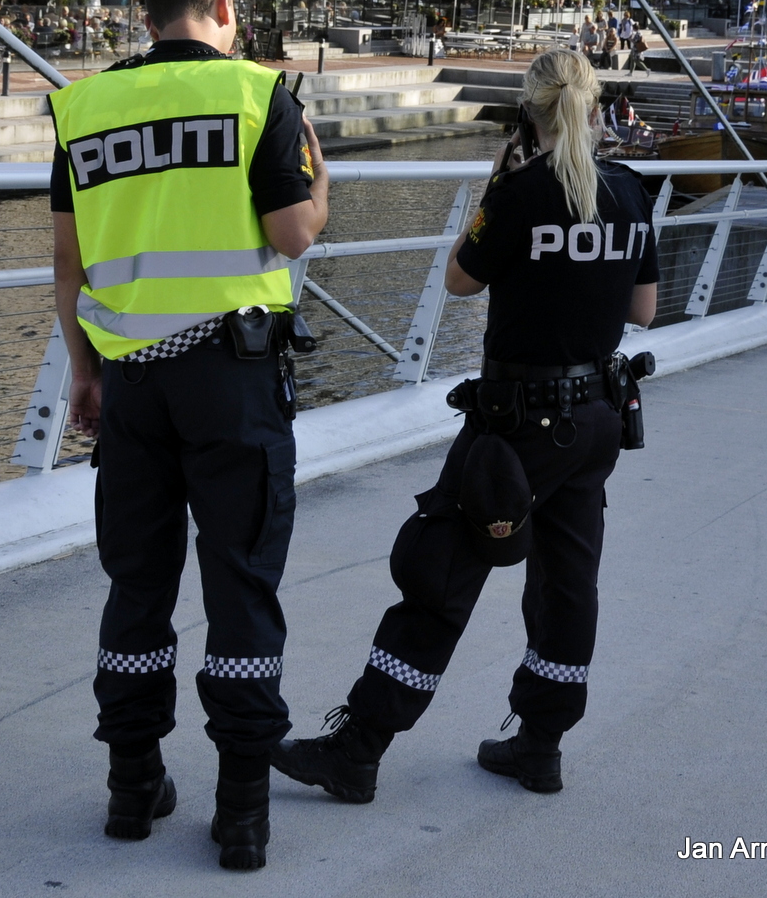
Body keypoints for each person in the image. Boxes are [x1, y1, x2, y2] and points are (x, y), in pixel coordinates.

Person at [271, 47, 657, 805]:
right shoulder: (631, 192)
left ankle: (361, 746)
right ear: (594, 107)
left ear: (529, 112)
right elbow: (641, 312)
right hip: (597, 421)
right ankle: (540, 745)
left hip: (516, 428)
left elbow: (458, 278)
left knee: (439, 571)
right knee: (568, 584)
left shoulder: (518, 193)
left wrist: (496, 194)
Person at [49, 0, 330, 872]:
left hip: (130, 381)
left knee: (139, 582)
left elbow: (69, 260)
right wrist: (319, 181)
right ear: (222, 8)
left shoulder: (85, 109)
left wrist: (84, 368)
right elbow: (292, 234)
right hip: (234, 380)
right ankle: (241, 812)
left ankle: (134, 787)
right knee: (241, 581)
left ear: (144, 17)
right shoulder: (261, 97)